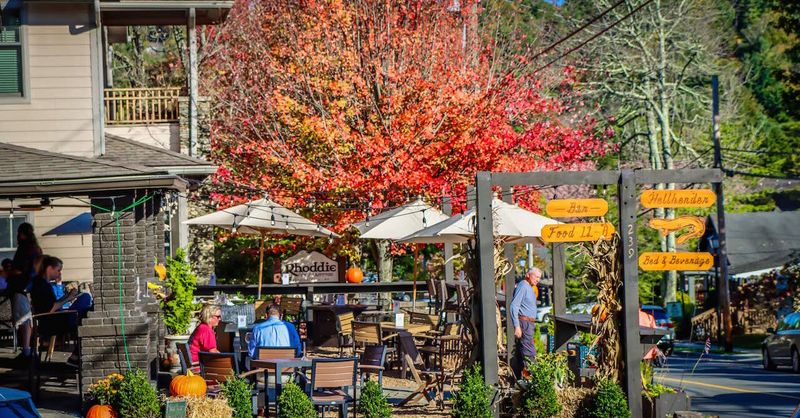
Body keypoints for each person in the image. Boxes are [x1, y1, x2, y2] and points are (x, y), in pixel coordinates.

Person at [8, 223, 42, 360]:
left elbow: (20, 269)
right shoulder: (36, 249)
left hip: (21, 287)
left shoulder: (25, 250)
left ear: (22, 233)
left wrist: (10, 273)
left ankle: (27, 349)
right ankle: (30, 348)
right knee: (28, 319)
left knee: (24, 319)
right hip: (32, 287)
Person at [510, 267, 541, 378]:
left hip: (528, 323)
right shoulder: (523, 286)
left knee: (519, 352)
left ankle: (517, 379)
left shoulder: (529, 287)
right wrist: (517, 326)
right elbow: (514, 306)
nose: (538, 280)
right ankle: (538, 380)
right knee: (529, 352)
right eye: (536, 277)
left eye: (539, 278)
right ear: (528, 275)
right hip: (524, 323)